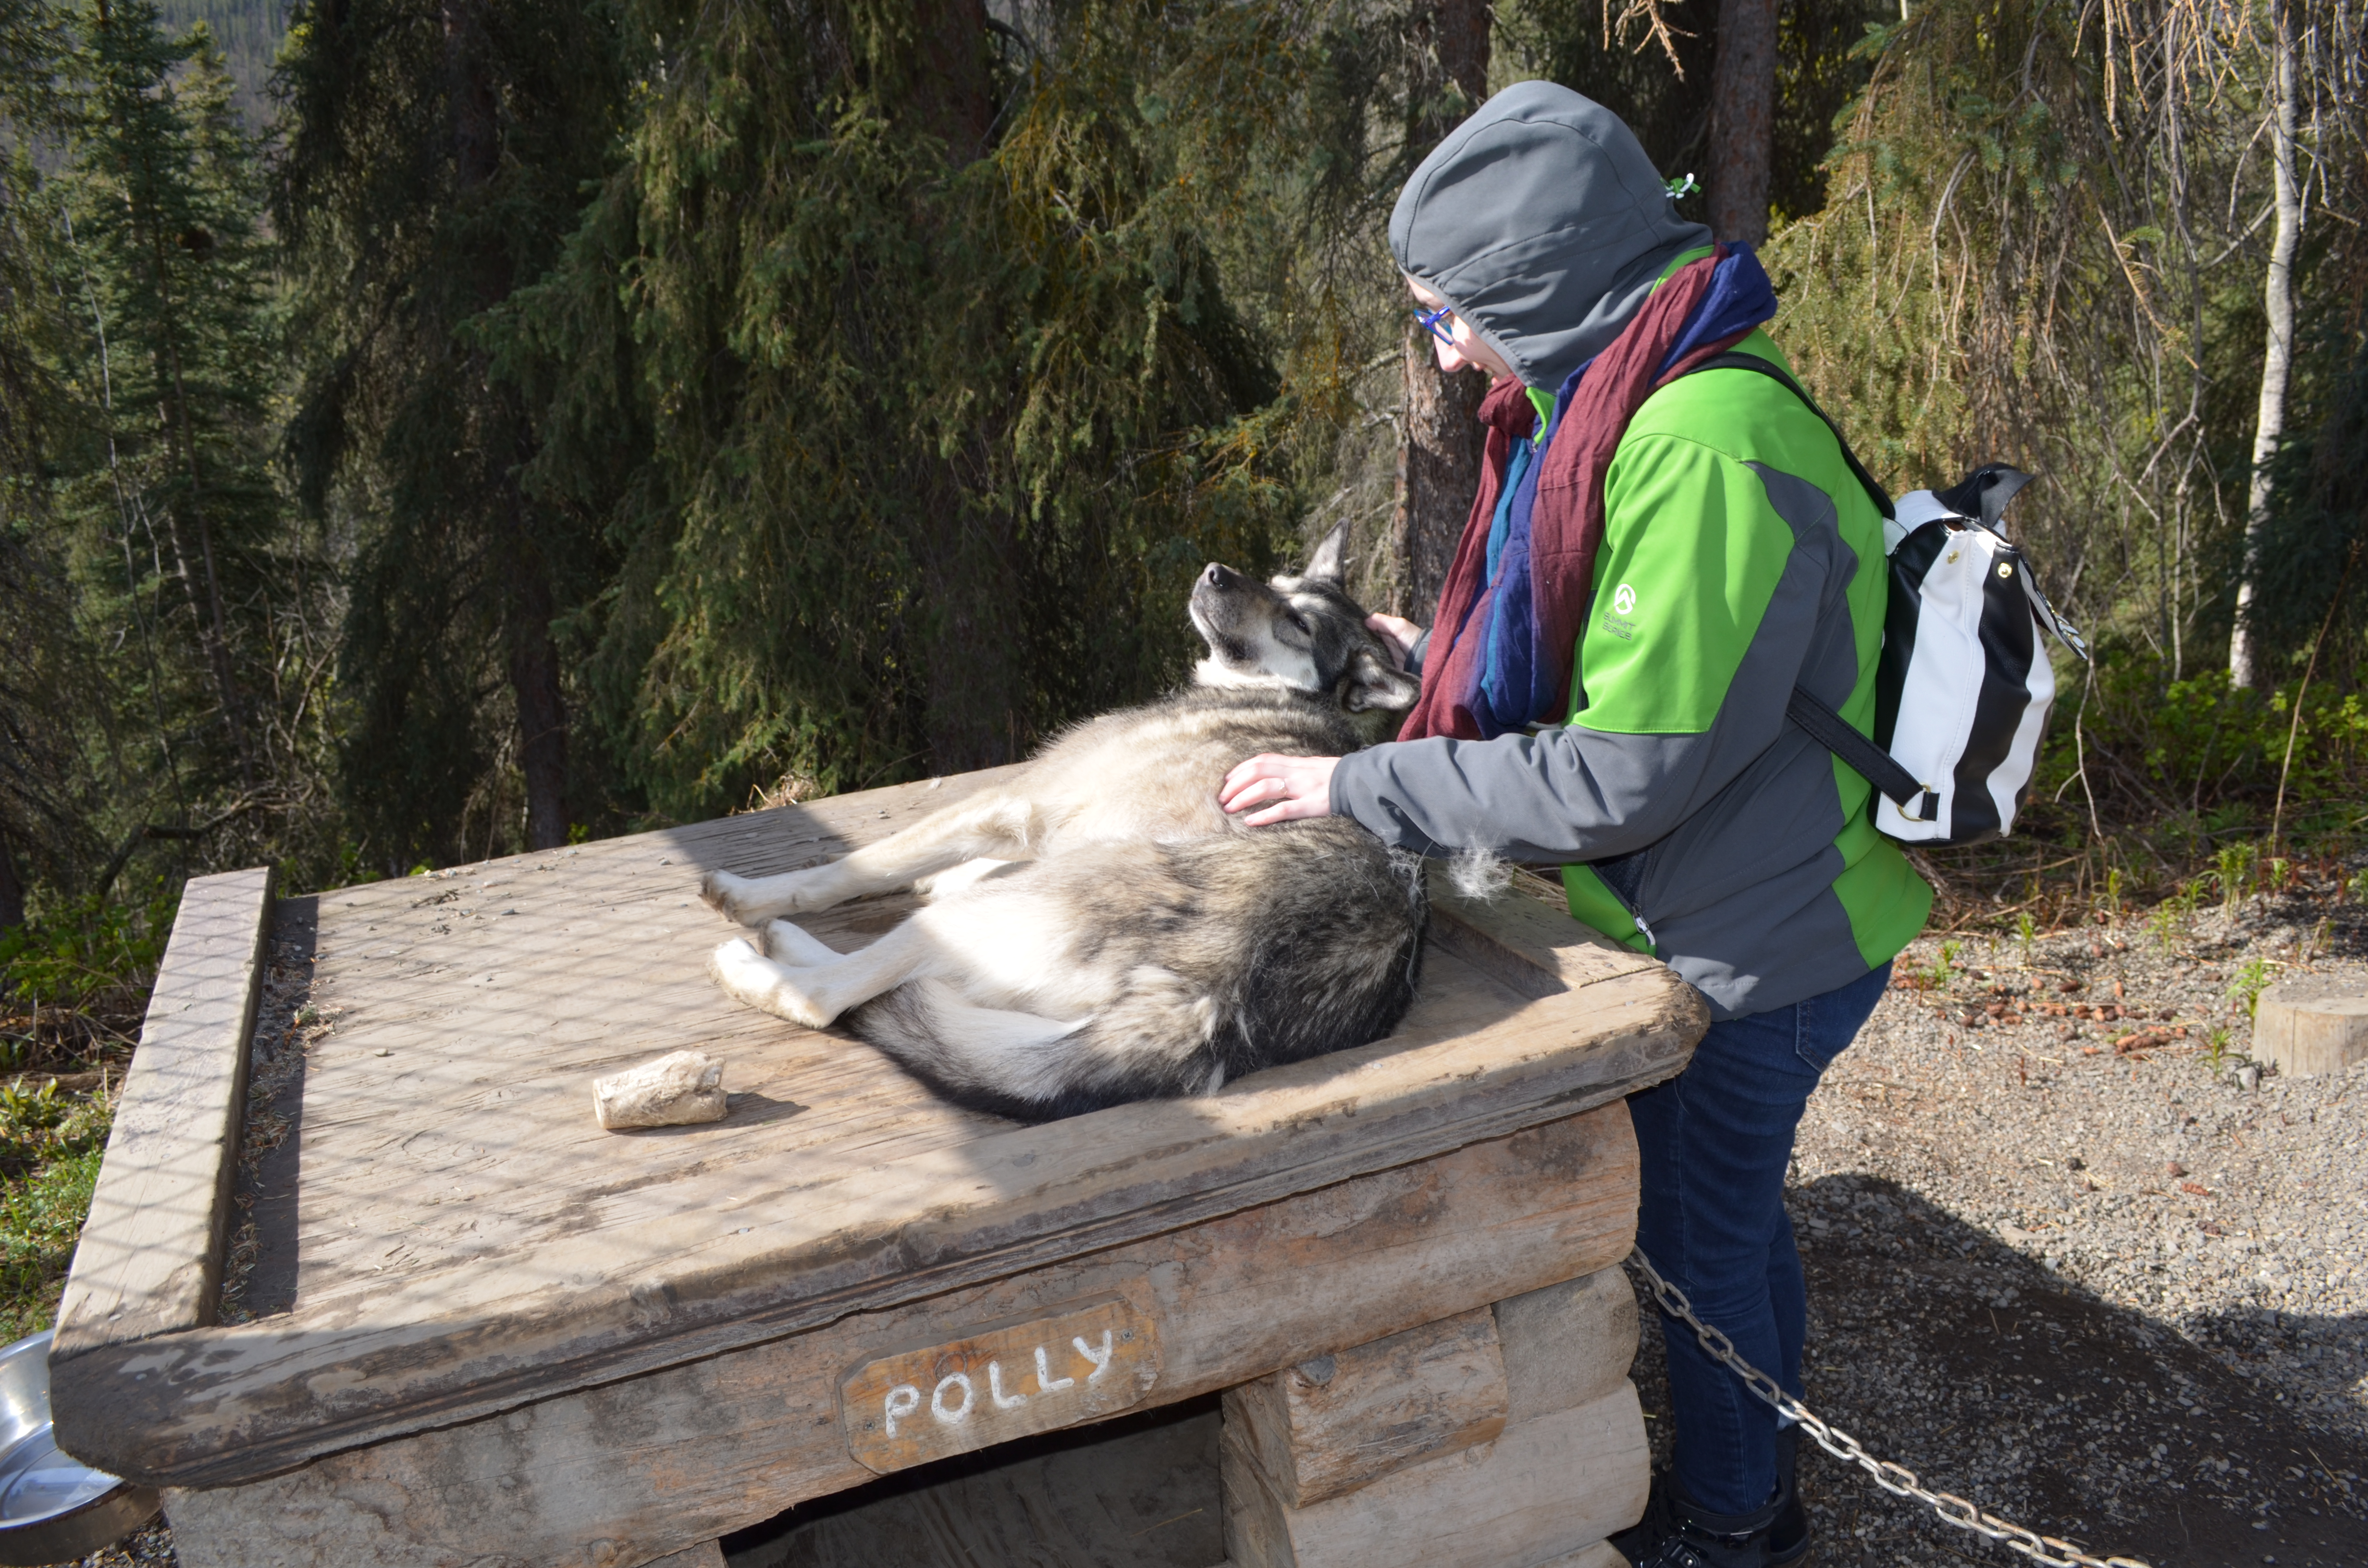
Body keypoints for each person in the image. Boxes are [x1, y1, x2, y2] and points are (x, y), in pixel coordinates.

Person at [1218, 81, 1932, 1568]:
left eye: (1448, 313)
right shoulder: (1615, 389)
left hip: (1760, 945)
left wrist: (1363, 784)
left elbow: (1625, 774)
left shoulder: (1700, 444)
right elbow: (1625, 663)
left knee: (1695, 1243)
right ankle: (1767, 1484)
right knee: (1731, 1222)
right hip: (1727, 898)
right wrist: (1447, 669)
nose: (1447, 349)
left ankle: (1738, 1527)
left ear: (1538, 285)